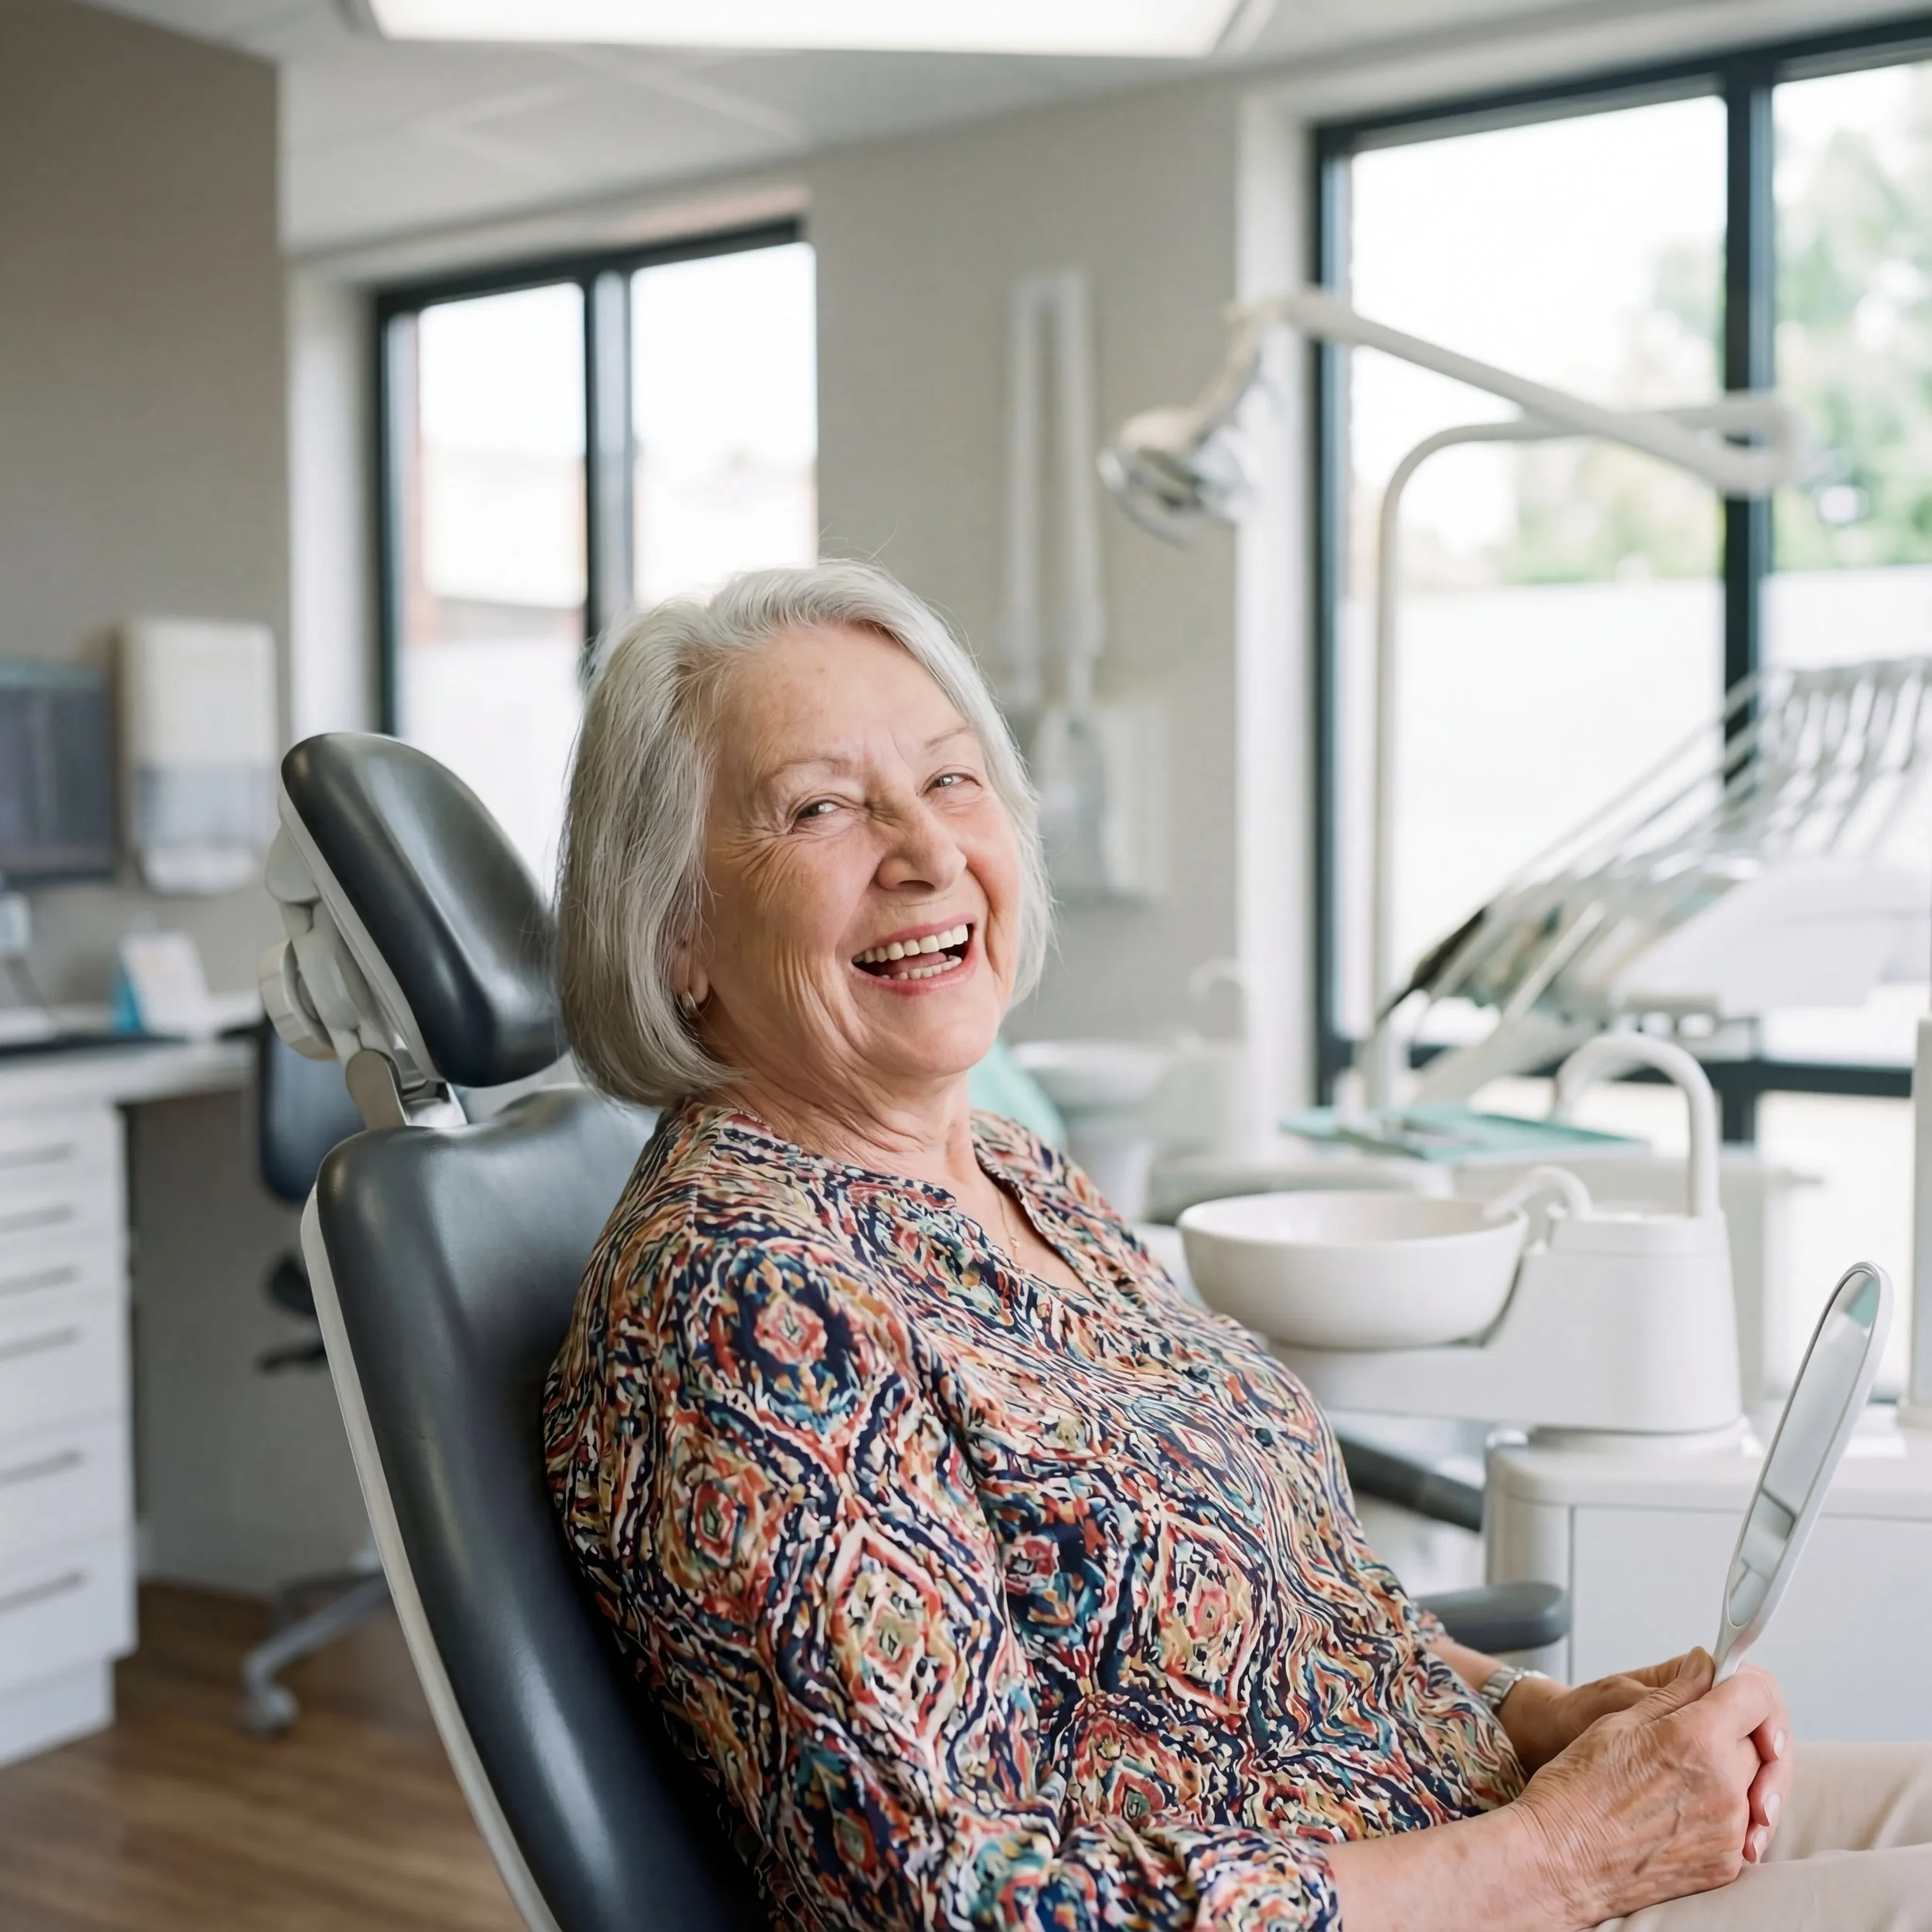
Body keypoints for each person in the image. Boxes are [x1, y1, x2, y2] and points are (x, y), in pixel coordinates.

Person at [543, 561, 1932, 1931]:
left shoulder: (1015, 1178)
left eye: (952, 781)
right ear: (678, 935)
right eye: (822, 808)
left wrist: (1537, 1719)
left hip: (1474, 1829)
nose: (925, 852)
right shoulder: (750, 1304)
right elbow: (956, 1903)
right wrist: (1563, 1860)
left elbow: (1281, 1602)